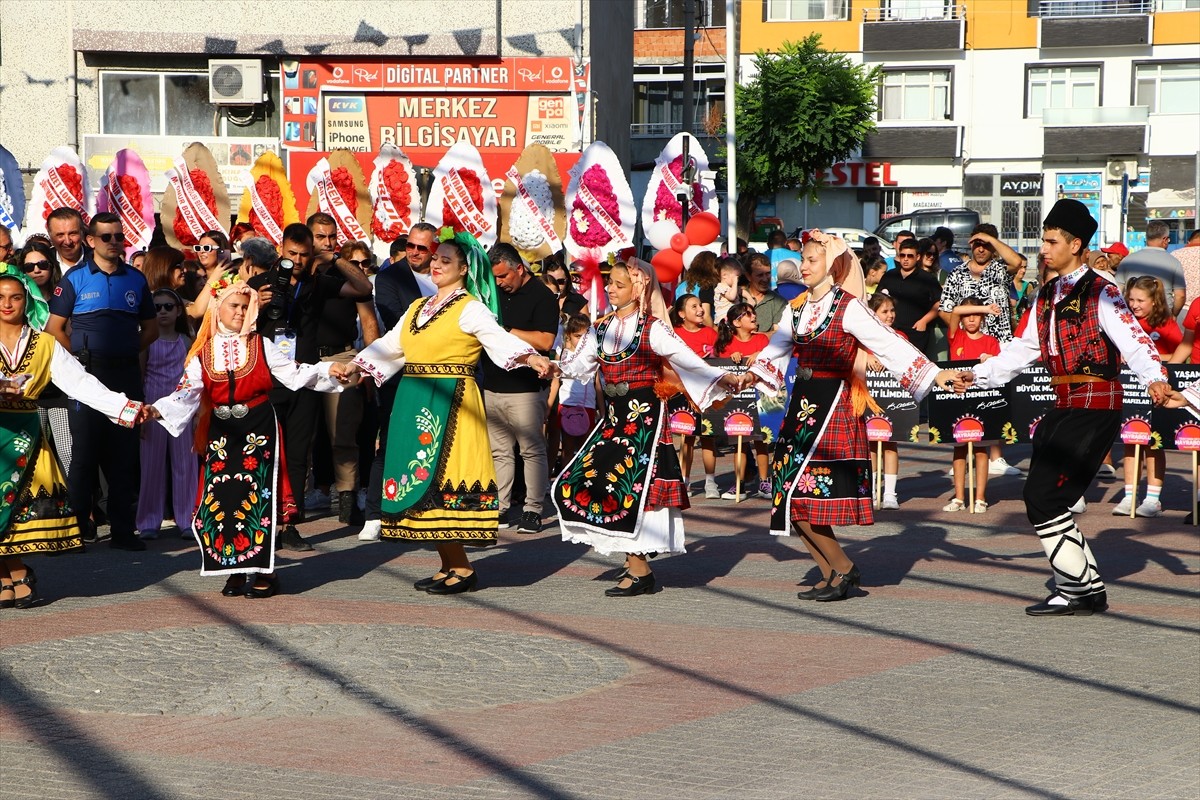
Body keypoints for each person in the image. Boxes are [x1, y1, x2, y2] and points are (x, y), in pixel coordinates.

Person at [954, 199, 1171, 616]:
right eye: (1044, 240)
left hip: (1095, 404)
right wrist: (978, 376)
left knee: (1043, 496)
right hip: (1065, 405)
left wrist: (1154, 378)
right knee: (1045, 498)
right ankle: (1085, 591)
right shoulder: (1048, 293)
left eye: (1052, 241)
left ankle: (1081, 590)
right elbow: (1023, 349)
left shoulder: (1102, 289)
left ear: (1076, 244)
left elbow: (1134, 340)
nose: (1044, 248)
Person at [340, 231, 554, 594]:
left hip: (452, 402)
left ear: (464, 268)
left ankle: (463, 567)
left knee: (442, 481)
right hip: (414, 398)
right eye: (435, 259)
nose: (436, 264)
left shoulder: (470, 307)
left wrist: (530, 357)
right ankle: (447, 564)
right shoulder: (417, 308)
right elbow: (391, 346)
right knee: (421, 481)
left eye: (445, 260)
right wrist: (356, 366)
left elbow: (497, 338)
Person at [749, 232, 959, 602]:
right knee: (788, 495)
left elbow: (887, 342)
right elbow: (774, 351)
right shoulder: (796, 307)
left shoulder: (848, 307)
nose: (805, 266)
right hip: (801, 406)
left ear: (831, 265)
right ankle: (832, 571)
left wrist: (934, 373)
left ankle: (843, 568)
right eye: (804, 260)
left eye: (813, 260)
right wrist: (743, 377)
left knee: (805, 495)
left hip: (833, 407)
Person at [554, 259, 743, 597]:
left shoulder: (652, 328)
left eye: (618, 283)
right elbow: (575, 366)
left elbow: (687, 360)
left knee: (633, 489)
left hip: (644, 420)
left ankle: (640, 569)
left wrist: (723, 376)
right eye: (609, 283)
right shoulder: (600, 328)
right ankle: (635, 563)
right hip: (613, 419)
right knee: (590, 481)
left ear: (638, 288)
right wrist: (542, 364)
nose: (610, 288)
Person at [146, 278, 344, 598]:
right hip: (222, 432)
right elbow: (187, 392)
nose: (240, 312)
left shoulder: (261, 344)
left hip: (258, 426)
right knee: (225, 500)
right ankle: (234, 570)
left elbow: (293, 372)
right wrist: (157, 410)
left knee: (258, 499)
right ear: (217, 309)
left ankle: (266, 570)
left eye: (244, 306)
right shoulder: (203, 352)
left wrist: (328, 371)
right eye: (233, 306)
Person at [0, 262, 146, 609]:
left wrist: (126, 407)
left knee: (16, 504)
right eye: (1, 297)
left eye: (15, 297)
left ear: (27, 301)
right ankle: (11, 572)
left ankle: (11, 573)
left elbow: (82, 384)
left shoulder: (45, 345)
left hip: (26, 434)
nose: (7, 304)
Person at [247, 222, 372, 551]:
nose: (298, 260)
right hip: (266, 381)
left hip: (303, 379)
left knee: (298, 455)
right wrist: (254, 305)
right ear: (281, 248)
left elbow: (362, 289)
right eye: (292, 254)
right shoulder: (258, 283)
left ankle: (290, 523)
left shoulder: (318, 284)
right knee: (264, 454)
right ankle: (261, 521)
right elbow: (232, 326)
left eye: (304, 255)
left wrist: (335, 258)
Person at [45, 212, 157, 551]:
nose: (114, 243)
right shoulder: (75, 278)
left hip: (124, 375)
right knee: (83, 456)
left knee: (124, 455)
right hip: (86, 378)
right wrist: (79, 361)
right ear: (91, 240)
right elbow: (54, 329)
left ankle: (123, 531)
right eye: (106, 237)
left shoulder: (136, 280)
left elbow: (150, 329)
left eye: (118, 237)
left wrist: (122, 353)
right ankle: (77, 531)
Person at [357, 223, 437, 542]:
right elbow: (398, 323)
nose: (414, 252)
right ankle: (375, 514)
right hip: (401, 372)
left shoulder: (446, 274)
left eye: (421, 248)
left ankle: (425, 510)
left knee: (433, 443)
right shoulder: (391, 276)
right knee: (390, 444)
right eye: (410, 246)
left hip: (439, 376)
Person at [482, 243, 559, 534]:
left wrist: (506, 332)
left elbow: (545, 341)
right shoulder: (493, 294)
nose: (500, 283)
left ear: (519, 268)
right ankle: (501, 507)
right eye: (496, 278)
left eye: (504, 277)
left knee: (531, 450)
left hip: (526, 388)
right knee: (499, 452)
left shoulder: (543, 296)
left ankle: (532, 509)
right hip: (492, 384)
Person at [307, 238, 379, 523]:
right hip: (304, 359)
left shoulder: (349, 282)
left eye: (331, 237)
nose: (326, 243)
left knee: (343, 432)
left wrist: (370, 369)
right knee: (304, 433)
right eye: (320, 237)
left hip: (344, 356)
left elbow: (370, 323)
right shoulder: (297, 275)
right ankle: (294, 502)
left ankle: (348, 498)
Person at [1110, 276, 1182, 518]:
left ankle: (1153, 498)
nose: (1134, 304)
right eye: (1130, 299)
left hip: (1157, 390)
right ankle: (1129, 495)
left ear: (1155, 301)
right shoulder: (1124, 323)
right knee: (1130, 441)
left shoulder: (1165, 324)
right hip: (1130, 389)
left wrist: (1154, 362)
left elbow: (1177, 353)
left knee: (1153, 443)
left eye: (1140, 300)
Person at [136, 289, 197, 540]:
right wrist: (138, 410)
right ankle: (149, 521)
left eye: (168, 306)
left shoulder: (186, 341)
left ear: (178, 311)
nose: (162, 311)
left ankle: (188, 519)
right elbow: (138, 376)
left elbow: (194, 380)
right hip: (151, 406)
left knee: (186, 464)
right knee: (151, 465)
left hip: (181, 406)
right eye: (157, 307)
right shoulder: (146, 340)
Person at [942, 297, 1001, 514]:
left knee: (981, 448)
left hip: (983, 398)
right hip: (958, 397)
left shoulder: (991, 341)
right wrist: (985, 307)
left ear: (983, 318)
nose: (971, 319)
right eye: (968, 316)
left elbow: (999, 366)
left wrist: (990, 360)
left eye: (976, 315)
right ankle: (959, 497)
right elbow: (955, 311)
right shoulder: (955, 337)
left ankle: (980, 497)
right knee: (958, 447)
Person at [714, 302, 771, 500]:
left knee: (760, 440)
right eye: (748, 315)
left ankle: (765, 482)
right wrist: (732, 357)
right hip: (737, 401)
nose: (754, 317)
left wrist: (760, 355)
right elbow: (721, 368)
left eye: (753, 313)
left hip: (760, 397)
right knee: (740, 442)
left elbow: (772, 359)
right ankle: (739, 483)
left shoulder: (762, 340)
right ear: (736, 322)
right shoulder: (727, 345)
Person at [670, 293, 719, 498]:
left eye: (701, 305)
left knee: (708, 437)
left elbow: (718, 358)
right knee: (686, 437)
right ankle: (685, 481)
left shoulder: (710, 333)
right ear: (681, 313)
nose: (700, 309)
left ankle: (710, 482)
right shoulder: (673, 334)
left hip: (706, 392)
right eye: (694, 306)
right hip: (682, 391)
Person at [864, 292, 902, 509]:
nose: (890, 315)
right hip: (868, 397)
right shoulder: (863, 339)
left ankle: (890, 493)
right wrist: (867, 357)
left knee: (891, 442)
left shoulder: (900, 336)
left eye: (892, 311)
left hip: (892, 398)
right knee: (870, 443)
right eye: (884, 311)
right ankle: (871, 489)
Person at [877, 237, 942, 354]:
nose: (905, 259)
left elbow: (939, 302)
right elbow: (878, 300)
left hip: (916, 333)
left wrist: (924, 321)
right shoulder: (889, 276)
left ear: (917, 257)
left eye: (910, 256)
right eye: (902, 255)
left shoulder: (927, 278)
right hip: (891, 330)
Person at [1114, 221, 1186, 315]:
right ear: (1165, 239)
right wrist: (1173, 315)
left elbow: (1116, 291)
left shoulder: (1127, 260)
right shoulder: (1174, 262)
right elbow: (1180, 296)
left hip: (1133, 317)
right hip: (1162, 317)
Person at [743, 254, 786, 333]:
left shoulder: (779, 302)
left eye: (768, 273)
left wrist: (753, 337)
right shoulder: (737, 298)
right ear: (748, 276)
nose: (765, 279)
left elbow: (778, 334)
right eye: (760, 275)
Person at [675, 251, 719, 327]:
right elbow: (705, 316)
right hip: (700, 329)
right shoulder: (705, 286)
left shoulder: (681, 286)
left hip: (684, 327)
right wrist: (715, 333)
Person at [46, 207, 88, 272]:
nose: (67, 242)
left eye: (72, 234)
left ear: (82, 232)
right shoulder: (42, 264)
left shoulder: (98, 260)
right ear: (50, 235)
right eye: (60, 235)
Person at [712, 257, 743, 325]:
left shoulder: (732, 288)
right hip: (724, 319)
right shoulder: (721, 288)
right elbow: (732, 297)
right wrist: (735, 282)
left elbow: (741, 291)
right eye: (736, 277)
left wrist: (749, 298)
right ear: (724, 275)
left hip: (733, 317)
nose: (737, 280)